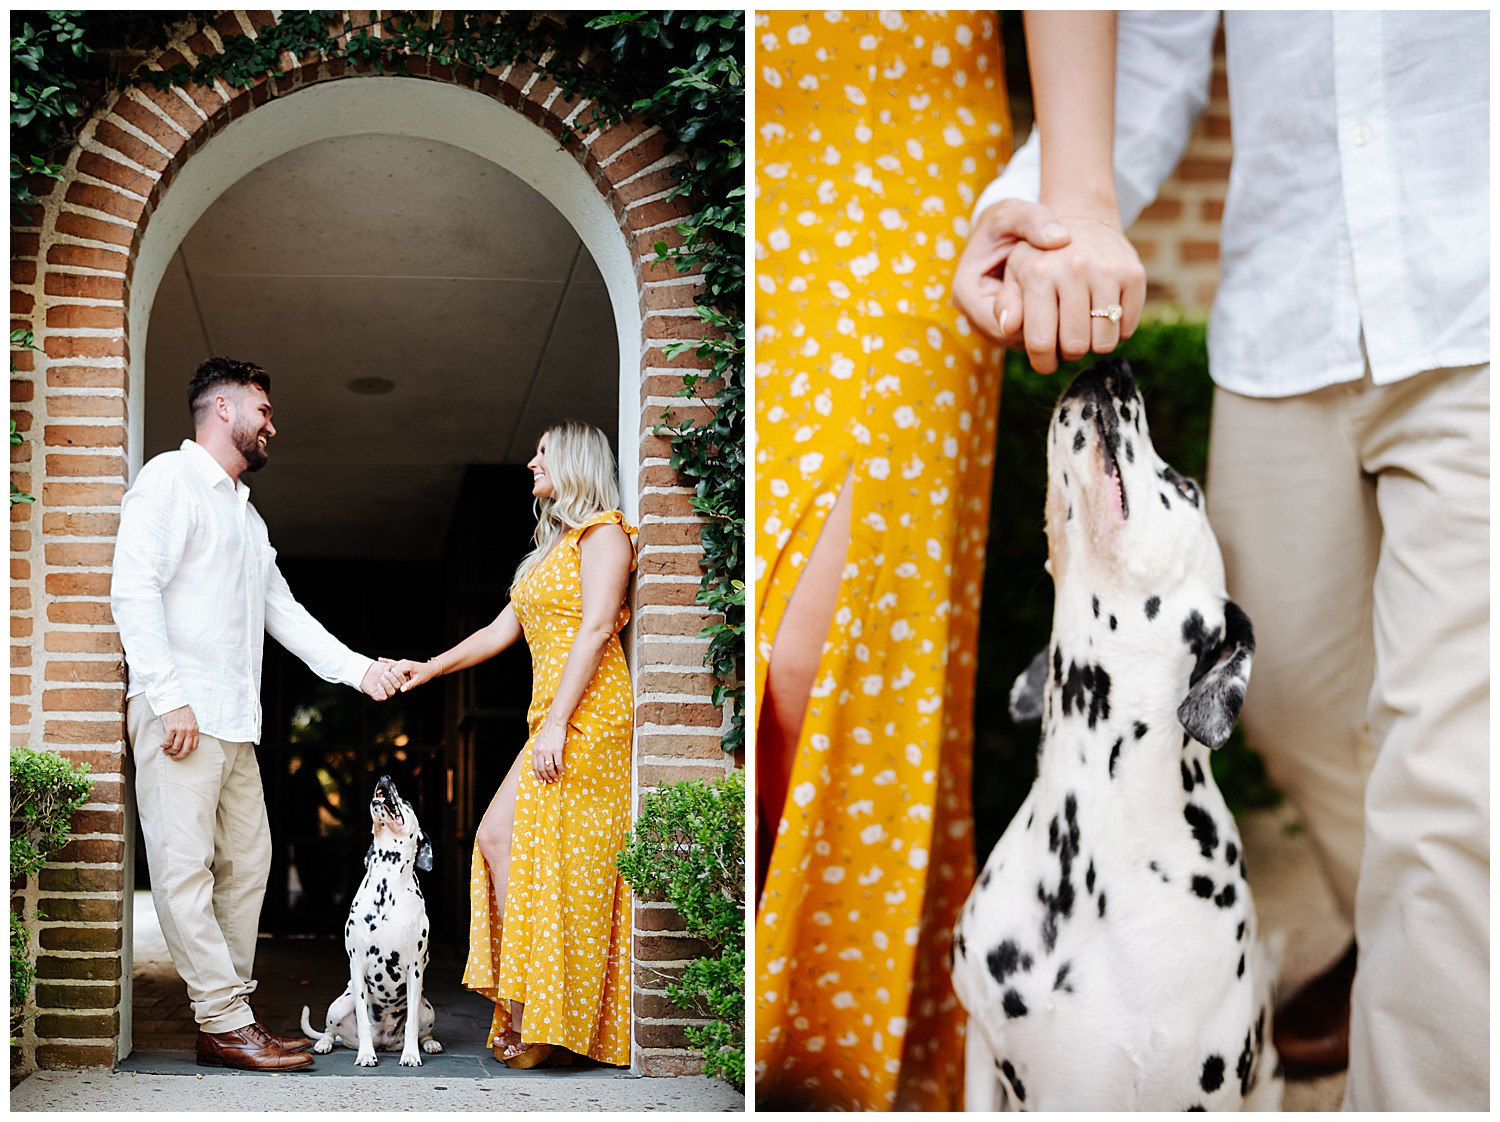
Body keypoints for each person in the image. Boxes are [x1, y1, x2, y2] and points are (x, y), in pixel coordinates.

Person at [955, 11, 1489, 1111]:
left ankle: (1434, 1041)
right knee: (1286, 711)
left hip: (1479, 305)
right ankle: (1410, 934)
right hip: (1286, 318)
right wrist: (1038, 213)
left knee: (1452, 782)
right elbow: (1150, 48)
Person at [754, 11, 1141, 1110]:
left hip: (900, 135)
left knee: (817, 661)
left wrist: (1078, 200)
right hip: (759, 131)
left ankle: (828, 1068)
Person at [111, 356, 405, 1072]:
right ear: (221, 410)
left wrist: (362, 672)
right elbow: (132, 589)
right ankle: (222, 1018)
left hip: (234, 722)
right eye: (262, 412)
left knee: (249, 864)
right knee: (184, 872)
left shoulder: (245, 516)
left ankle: (228, 1015)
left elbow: (287, 616)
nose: (272, 425)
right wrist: (167, 691)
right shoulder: (169, 481)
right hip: (179, 710)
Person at [389, 419, 636, 1070]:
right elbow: (504, 628)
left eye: (544, 453)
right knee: (498, 841)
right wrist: (432, 666)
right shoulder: (552, 547)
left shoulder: (605, 533)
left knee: (564, 871)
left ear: (576, 462)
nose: (531, 463)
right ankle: (530, 1012)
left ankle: (543, 1022)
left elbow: (594, 631)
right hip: (551, 719)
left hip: (587, 718)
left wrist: (556, 723)